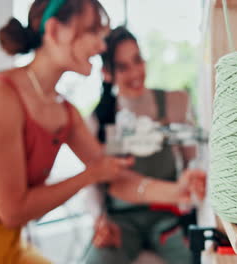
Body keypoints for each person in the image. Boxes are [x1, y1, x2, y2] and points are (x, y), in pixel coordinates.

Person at [0, 1, 135, 263]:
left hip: (10, 244)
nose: (102, 46)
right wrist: (89, 176)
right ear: (54, 30)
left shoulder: (64, 110)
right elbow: (13, 211)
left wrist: (180, 189)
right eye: (93, 32)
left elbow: (111, 171)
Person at [85, 26, 207, 264]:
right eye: (122, 66)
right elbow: (92, 184)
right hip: (121, 220)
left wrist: (192, 185)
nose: (135, 72)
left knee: (195, 258)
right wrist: (99, 220)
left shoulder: (174, 103)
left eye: (137, 60)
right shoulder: (98, 120)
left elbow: (194, 159)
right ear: (107, 73)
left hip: (167, 214)